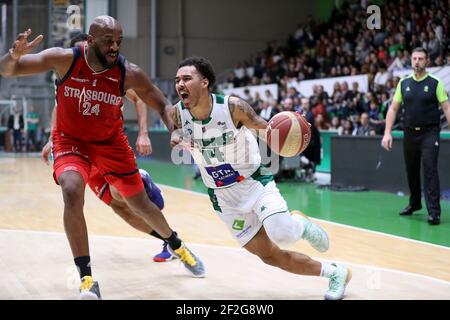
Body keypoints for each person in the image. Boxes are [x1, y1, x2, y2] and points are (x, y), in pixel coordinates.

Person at [0, 16, 204, 300]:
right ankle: (87, 279)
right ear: (91, 40)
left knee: (138, 203)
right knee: (72, 191)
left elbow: (160, 102)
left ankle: (176, 244)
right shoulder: (64, 59)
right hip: (71, 141)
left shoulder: (128, 73)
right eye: (109, 41)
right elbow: (7, 71)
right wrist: (13, 55)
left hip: (110, 143)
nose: (115, 46)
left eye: (118, 41)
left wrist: (175, 130)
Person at [171, 56, 351, 300]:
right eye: (177, 80)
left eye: (186, 78)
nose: (180, 84)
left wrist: (291, 133)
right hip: (223, 197)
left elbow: (267, 132)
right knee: (270, 256)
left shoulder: (233, 107)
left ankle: (301, 225)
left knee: (283, 234)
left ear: (204, 82)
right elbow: (178, 134)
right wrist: (178, 138)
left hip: (254, 182)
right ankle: (335, 273)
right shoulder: (178, 114)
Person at [382, 47, 450, 226]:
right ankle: (414, 203)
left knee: (429, 170)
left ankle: (434, 212)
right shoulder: (403, 83)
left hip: (430, 133)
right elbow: (393, 109)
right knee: (411, 170)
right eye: (414, 58)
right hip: (409, 133)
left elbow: (447, 108)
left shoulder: (436, 83)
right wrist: (387, 132)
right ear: (411, 61)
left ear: (427, 61)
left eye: (421, 58)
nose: (417, 61)